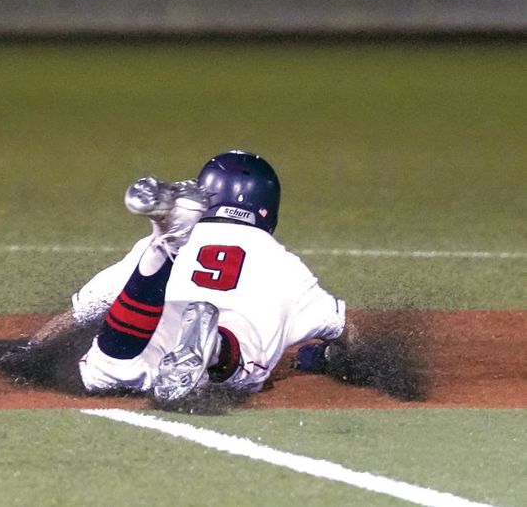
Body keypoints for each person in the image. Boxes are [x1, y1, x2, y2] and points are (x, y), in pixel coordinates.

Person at [47, 150, 352, 406]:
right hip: (234, 333)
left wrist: (28, 350)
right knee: (242, 365)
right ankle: (216, 348)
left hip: (158, 323)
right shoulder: (287, 265)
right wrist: (330, 357)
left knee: (104, 372)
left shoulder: (189, 236)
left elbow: (86, 309)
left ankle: (164, 247)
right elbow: (344, 329)